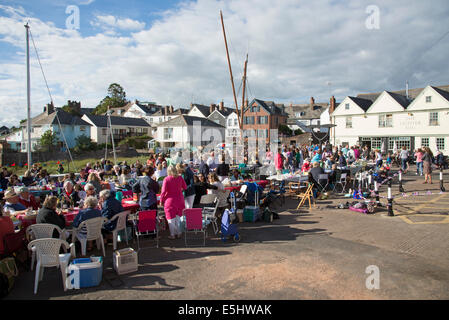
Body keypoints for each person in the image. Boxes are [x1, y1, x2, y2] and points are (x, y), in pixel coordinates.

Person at [159, 165, 187, 240]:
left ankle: (173, 234)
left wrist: (161, 200)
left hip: (170, 201)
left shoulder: (166, 179)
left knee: (170, 218)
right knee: (178, 218)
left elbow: (163, 191)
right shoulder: (180, 177)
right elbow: (185, 187)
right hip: (180, 200)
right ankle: (179, 232)